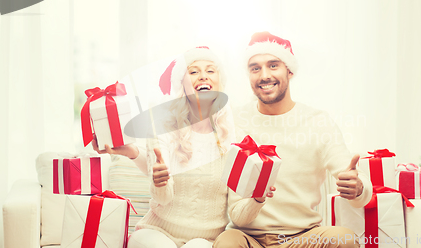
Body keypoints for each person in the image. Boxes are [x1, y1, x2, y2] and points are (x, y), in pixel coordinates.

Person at [213, 32, 373, 248]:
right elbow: (234, 208)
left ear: (289, 71)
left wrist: (359, 187)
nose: (264, 75)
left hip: (302, 237)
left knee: (343, 239)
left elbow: (357, 181)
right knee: (226, 244)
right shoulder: (234, 121)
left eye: (273, 65)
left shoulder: (317, 122)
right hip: (247, 237)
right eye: (255, 68)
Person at [93, 47, 234, 248]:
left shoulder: (233, 135)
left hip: (207, 240)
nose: (203, 76)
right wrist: (160, 182)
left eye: (211, 70)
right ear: (182, 85)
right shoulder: (164, 128)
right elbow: (163, 197)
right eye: (193, 71)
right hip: (158, 231)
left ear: (220, 82)